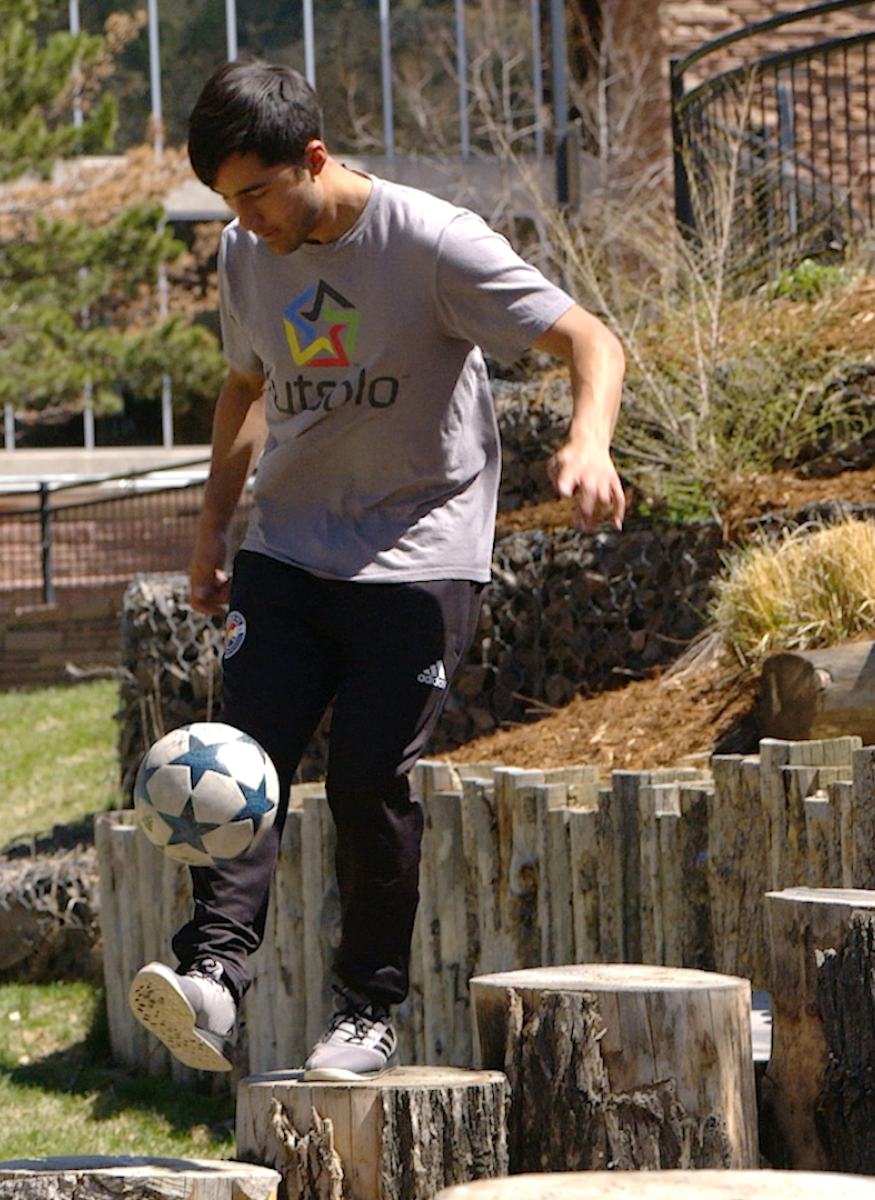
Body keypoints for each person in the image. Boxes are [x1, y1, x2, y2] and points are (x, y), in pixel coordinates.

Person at [126, 58, 625, 1079]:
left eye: (259, 191)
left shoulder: (433, 241)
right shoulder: (244, 254)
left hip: (419, 551)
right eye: (227, 200)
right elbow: (242, 392)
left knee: (365, 777)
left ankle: (368, 1009)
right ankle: (214, 977)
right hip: (290, 547)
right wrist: (210, 533)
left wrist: (590, 443)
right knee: (240, 759)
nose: (247, 219)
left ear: (314, 157)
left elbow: (591, 338)